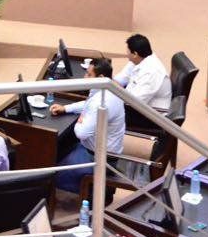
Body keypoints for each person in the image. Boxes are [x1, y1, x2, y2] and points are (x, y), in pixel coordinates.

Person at [50, 58, 126, 193]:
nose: (85, 77)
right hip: (99, 149)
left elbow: (81, 133)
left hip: (97, 158)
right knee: (60, 147)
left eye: (89, 75)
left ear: (100, 77)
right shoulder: (108, 88)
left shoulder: (102, 101)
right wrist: (66, 108)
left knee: (51, 175)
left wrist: (81, 119)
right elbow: (88, 105)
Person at [115, 34, 172, 113]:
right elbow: (119, 80)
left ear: (135, 54)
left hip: (152, 114)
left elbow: (135, 102)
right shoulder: (138, 60)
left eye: (127, 52)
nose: (127, 55)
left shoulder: (152, 72)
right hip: (134, 104)